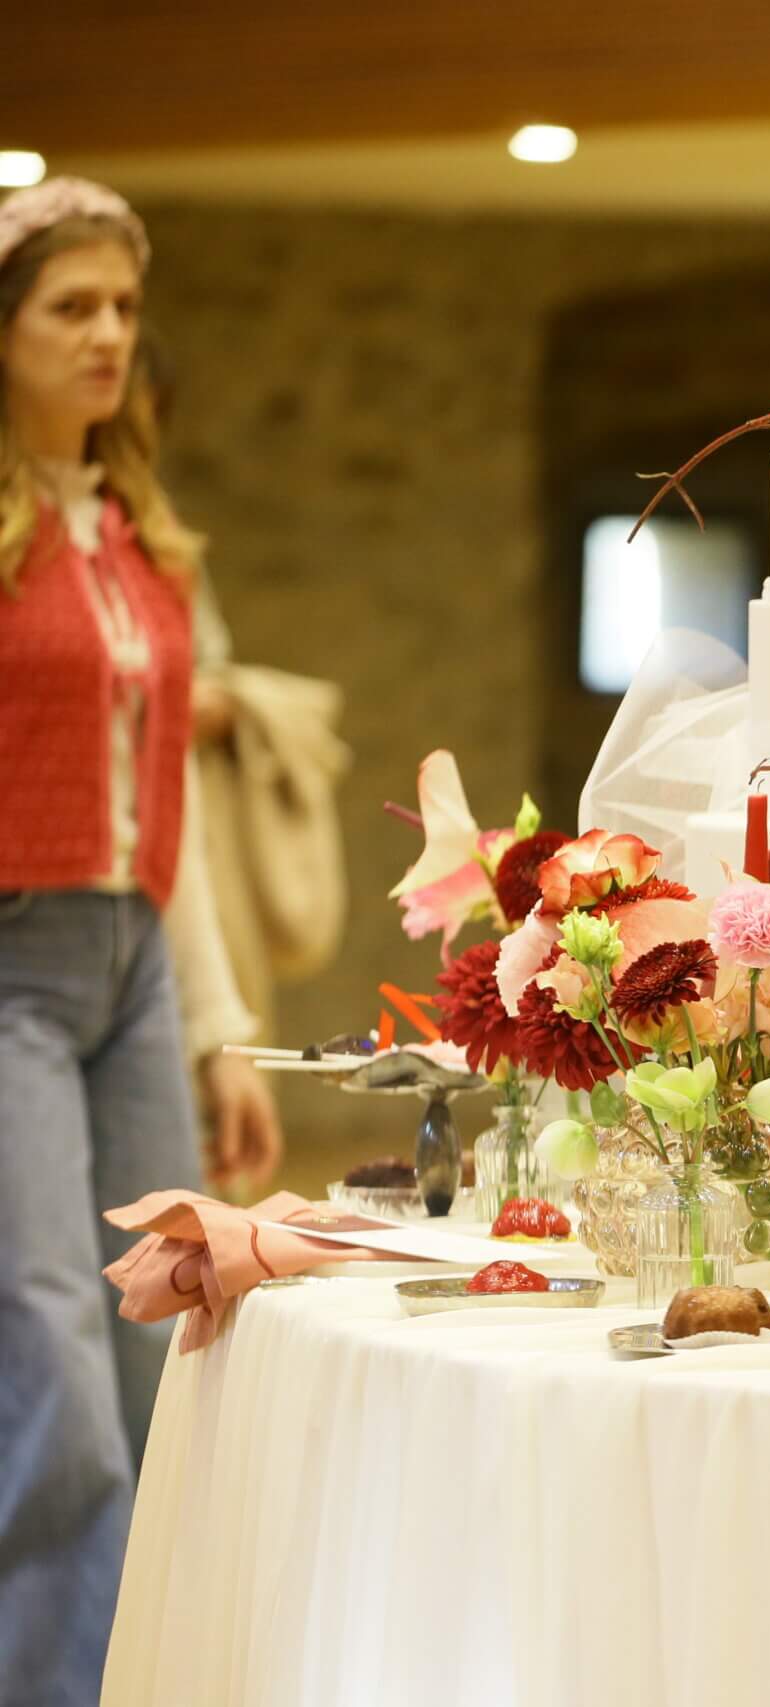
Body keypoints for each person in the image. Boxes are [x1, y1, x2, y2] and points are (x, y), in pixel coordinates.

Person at [0, 175, 281, 1702]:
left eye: (122, 307)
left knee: (158, 1334)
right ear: (5, 335)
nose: (109, 335)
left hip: (134, 967)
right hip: (11, 971)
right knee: (49, 1357)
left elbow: (164, 799)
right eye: (70, 308)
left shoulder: (141, 537)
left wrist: (220, 1024)